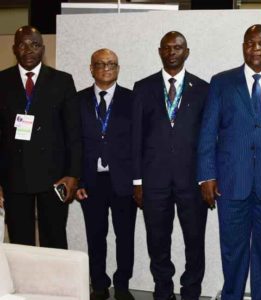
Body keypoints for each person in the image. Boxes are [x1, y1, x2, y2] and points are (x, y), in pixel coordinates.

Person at [197, 24, 261, 299]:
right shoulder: (221, 82)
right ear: (243, 46)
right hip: (231, 183)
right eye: (250, 43)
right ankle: (231, 295)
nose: (256, 48)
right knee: (232, 250)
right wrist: (206, 176)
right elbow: (208, 131)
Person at [132, 31, 209, 300]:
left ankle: (191, 291)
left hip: (192, 181)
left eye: (178, 47)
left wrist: (207, 177)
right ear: (160, 51)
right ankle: (162, 290)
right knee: (157, 241)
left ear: (186, 52)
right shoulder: (142, 88)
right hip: (154, 182)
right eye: (167, 48)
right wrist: (138, 181)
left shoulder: (202, 88)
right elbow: (136, 138)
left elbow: (209, 138)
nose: (172, 52)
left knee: (194, 241)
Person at [0, 25, 81, 248]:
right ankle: (23, 284)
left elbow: (73, 132)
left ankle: (54, 284)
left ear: (42, 49)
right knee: (19, 242)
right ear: (14, 49)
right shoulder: (2, 81)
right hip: (14, 177)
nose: (29, 50)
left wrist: (73, 175)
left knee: (54, 240)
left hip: (55, 178)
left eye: (35, 45)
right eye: (23, 45)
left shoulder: (62, 81)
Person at [75, 49, 137, 300]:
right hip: (90, 181)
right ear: (91, 68)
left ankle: (122, 285)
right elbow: (73, 143)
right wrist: (77, 178)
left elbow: (139, 143)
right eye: (100, 64)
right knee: (95, 236)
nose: (106, 67)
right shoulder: (77, 100)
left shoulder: (133, 99)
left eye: (111, 63)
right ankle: (98, 284)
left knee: (125, 236)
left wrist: (138, 180)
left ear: (118, 68)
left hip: (123, 180)